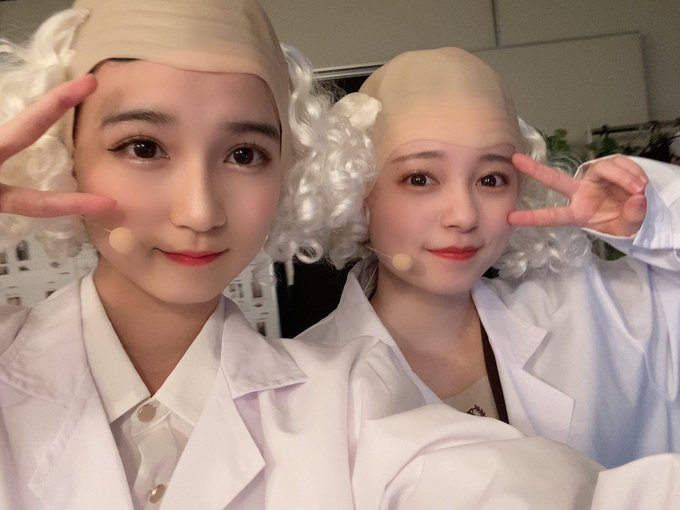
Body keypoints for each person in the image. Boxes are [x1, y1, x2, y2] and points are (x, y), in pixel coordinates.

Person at [0, 2, 624, 509]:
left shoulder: (350, 398)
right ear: (64, 151)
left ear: (289, 175)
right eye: (143, 147)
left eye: (244, 154)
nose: (200, 210)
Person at [294, 47, 680, 469]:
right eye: (420, 178)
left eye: (491, 179)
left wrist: (653, 222)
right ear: (356, 191)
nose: (463, 215)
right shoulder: (301, 388)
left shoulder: (595, 314)